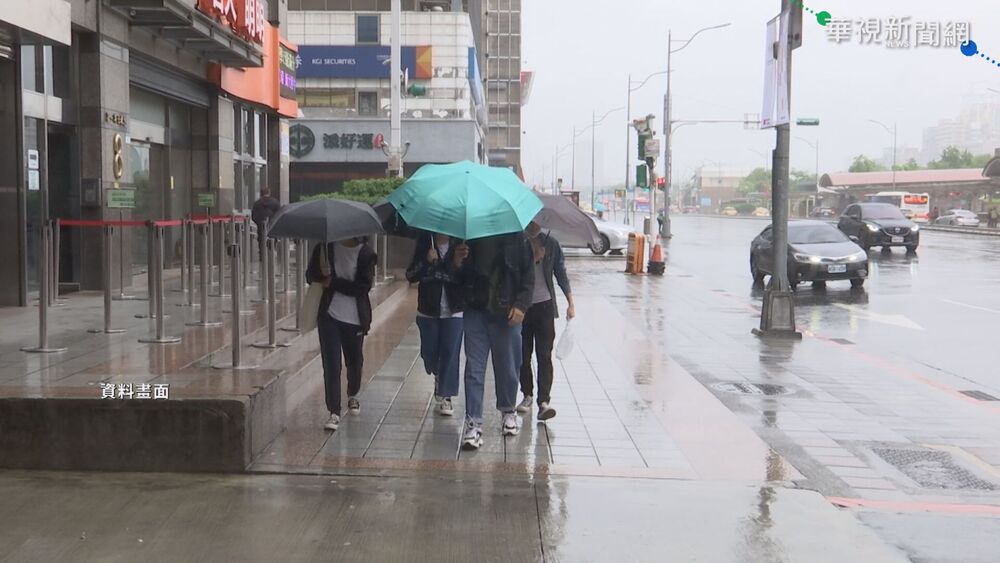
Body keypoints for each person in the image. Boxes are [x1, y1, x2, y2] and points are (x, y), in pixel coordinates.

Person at [461, 232, 534, 449]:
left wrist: (521, 305)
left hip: (506, 311)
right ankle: (473, 422)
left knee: (508, 367)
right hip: (476, 310)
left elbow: (528, 277)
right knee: (474, 368)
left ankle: (508, 410)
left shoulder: (518, 238)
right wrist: (457, 261)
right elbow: (458, 277)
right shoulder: (469, 236)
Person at [305, 237, 377, 431]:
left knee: (354, 360)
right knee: (331, 363)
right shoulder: (325, 248)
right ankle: (334, 411)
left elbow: (363, 286)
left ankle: (353, 394)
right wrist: (321, 273)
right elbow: (309, 276)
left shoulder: (366, 254)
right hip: (329, 316)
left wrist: (334, 282)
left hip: (355, 318)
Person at [406, 233, 471, 417]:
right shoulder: (425, 242)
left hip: (454, 310)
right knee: (430, 352)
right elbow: (410, 275)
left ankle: (446, 395)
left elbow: (468, 278)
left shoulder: (461, 244)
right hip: (428, 310)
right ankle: (438, 375)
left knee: (450, 352)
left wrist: (458, 262)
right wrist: (427, 261)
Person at [517, 222, 575, 421]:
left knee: (544, 354)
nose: (534, 224)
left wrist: (570, 303)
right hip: (522, 308)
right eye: (531, 220)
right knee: (523, 355)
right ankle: (527, 394)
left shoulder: (551, 244)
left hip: (545, 307)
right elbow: (512, 273)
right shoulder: (518, 242)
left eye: (538, 220)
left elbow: (561, 274)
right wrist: (532, 259)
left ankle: (544, 401)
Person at [251, 188, 281, 258]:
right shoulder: (275, 202)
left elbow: (254, 216)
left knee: (261, 241)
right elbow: (279, 214)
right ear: (269, 193)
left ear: (261, 193)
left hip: (260, 226)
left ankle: (262, 255)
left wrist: (259, 222)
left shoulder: (257, 203)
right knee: (272, 240)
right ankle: (271, 254)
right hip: (272, 225)